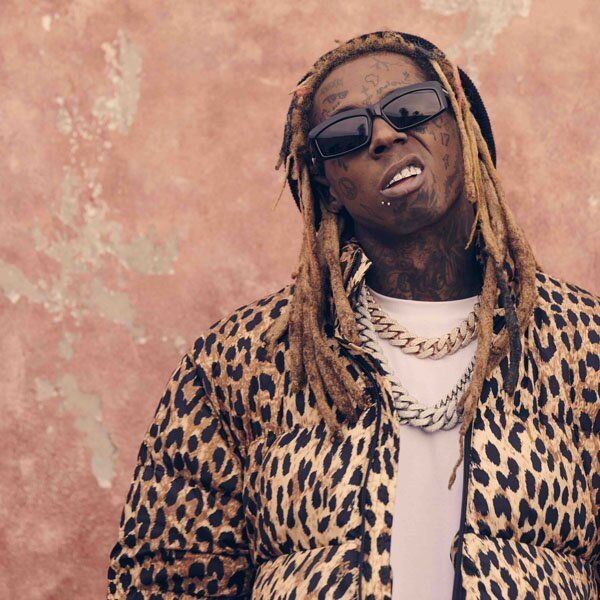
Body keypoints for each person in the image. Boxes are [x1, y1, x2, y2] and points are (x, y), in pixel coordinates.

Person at [106, 30, 599, 599]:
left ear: (462, 128)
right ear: (328, 184)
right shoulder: (242, 359)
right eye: (346, 135)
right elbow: (163, 578)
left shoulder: (582, 345)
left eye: (412, 108)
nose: (385, 136)